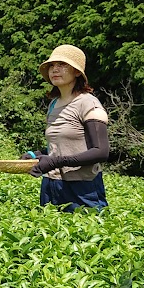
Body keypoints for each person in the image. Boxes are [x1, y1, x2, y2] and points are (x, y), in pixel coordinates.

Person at [30, 44, 110, 211]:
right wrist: (36, 155)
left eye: (62, 65)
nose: (55, 69)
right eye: (52, 65)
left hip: (82, 189)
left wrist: (55, 162)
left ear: (77, 72)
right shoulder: (54, 104)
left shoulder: (88, 104)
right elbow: (61, 148)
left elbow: (101, 151)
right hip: (52, 186)